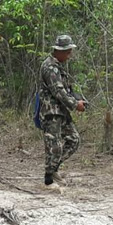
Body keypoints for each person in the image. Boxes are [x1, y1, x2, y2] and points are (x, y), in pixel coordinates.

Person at [37, 35, 86, 192]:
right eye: (68, 52)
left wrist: (77, 99)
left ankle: (54, 169)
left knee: (74, 140)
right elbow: (58, 91)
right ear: (60, 50)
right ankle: (48, 180)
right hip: (51, 113)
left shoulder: (58, 66)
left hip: (61, 112)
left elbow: (65, 90)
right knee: (54, 146)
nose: (69, 55)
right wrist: (74, 104)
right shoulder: (49, 67)